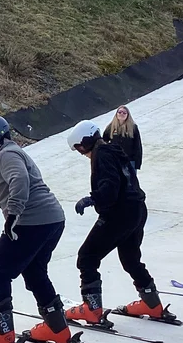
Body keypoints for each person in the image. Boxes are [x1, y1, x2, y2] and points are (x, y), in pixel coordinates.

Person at [0, 116, 74, 343]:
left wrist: (13, 216)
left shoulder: (7, 154)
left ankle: (1, 331)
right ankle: (58, 328)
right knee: (34, 272)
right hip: (52, 220)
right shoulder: (13, 152)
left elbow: (19, 180)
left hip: (31, 221)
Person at [66, 119, 171, 322]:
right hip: (138, 209)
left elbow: (111, 186)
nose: (81, 152)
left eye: (79, 147)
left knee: (87, 257)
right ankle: (152, 303)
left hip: (119, 213)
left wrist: (92, 198)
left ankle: (92, 309)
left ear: (86, 141)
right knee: (131, 259)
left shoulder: (102, 155)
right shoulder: (114, 150)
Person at [102, 105, 143, 170]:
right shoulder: (111, 127)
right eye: (120, 112)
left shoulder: (133, 128)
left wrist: (137, 163)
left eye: (124, 113)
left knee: (130, 180)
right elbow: (103, 142)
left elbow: (137, 145)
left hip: (129, 161)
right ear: (116, 114)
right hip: (115, 161)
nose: (122, 114)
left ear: (127, 115)